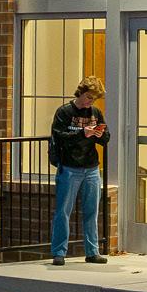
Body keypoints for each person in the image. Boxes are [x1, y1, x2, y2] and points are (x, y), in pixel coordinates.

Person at [48, 75, 110, 265]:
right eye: (88, 97)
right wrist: (82, 133)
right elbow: (59, 136)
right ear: (81, 93)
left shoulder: (95, 112)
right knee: (63, 211)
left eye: (93, 99)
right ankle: (59, 252)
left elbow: (105, 138)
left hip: (91, 167)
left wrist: (99, 134)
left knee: (92, 210)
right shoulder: (65, 112)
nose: (90, 102)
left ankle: (92, 251)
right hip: (70, 167)